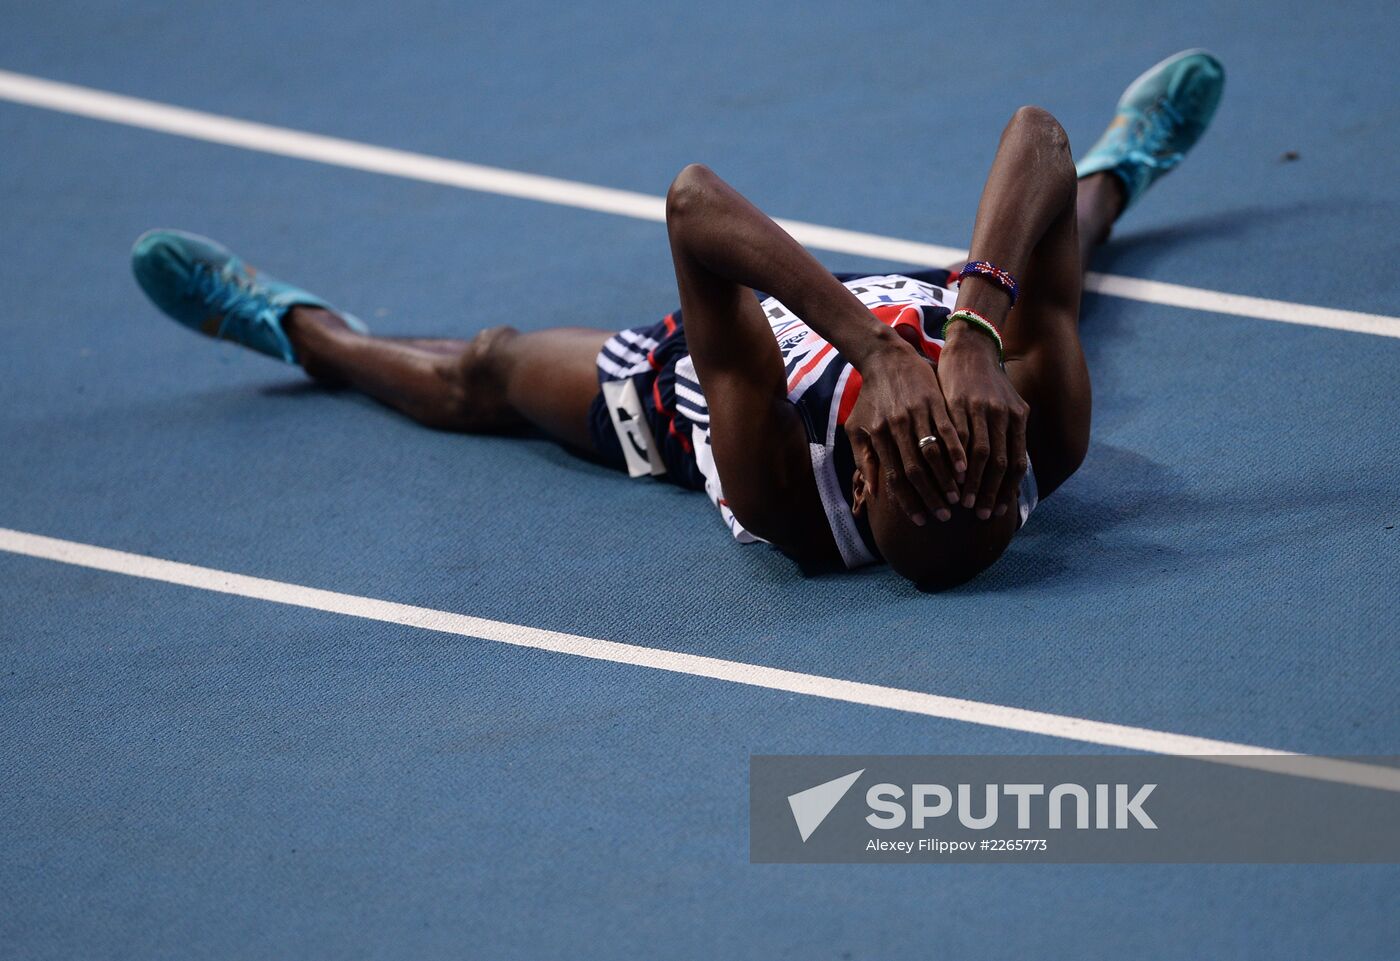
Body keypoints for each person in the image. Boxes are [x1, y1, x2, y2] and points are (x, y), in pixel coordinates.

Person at [131, 50, 1224, 589]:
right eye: (966, 433)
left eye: (913, 443)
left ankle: (297, 326)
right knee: (1052, 252)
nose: (942, 415)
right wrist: (970, 337)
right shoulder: (1040, 428)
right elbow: (1031, 131)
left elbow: (695, 203)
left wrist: (862, 350)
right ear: (1003, 446)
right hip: (898, 307)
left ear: (857, 476)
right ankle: (1124, 168)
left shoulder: (783, 490)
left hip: (696, 377)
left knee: (490, 369)